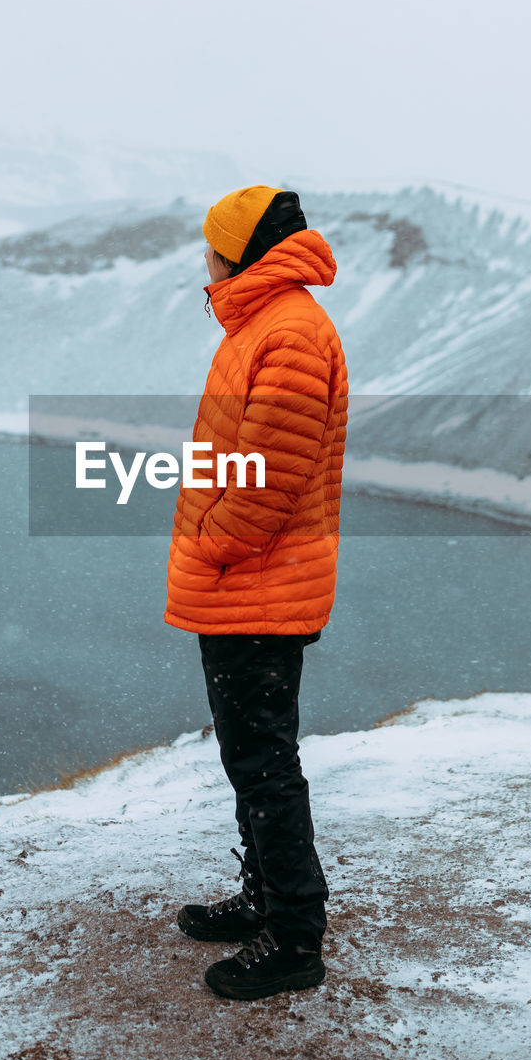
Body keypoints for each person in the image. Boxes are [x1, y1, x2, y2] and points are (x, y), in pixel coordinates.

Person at [164, 185, 349, 1001]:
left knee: (265, 765)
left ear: (234, 253)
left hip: (256, 585)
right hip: (248, 585)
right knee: (252, 759)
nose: (201, 261)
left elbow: (267, 483)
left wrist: (210, 548)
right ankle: (264, 900)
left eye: (209, 246)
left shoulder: (288, 333)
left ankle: (293, 939)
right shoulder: (266, 325)